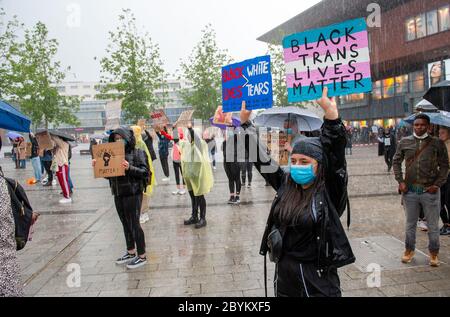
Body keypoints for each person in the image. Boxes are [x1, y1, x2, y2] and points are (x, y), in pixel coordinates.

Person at [240, 87, 355, 297]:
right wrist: (245, 124)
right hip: (285, 276)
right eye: (293, 161)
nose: (297, 166)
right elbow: (260, 158)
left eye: (304, 162)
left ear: (319, 166)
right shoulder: (286, 183)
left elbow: (336, 157)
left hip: (317, 279)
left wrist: (331, 117)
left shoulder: (328, 191)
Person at [393, 114, 449, 267]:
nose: (419, 127)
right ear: (413, 126)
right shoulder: (405, 141)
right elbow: (396, 161)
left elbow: (445, 165)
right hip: (410, 191)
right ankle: (409, 250)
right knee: (410, 224)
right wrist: (400, 181)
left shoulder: (436, 143)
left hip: (429, 191)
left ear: (428, 126)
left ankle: (434, 253)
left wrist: (437, 184)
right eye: (416, 125)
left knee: (432, 225)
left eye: (422, 125)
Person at [92, 126, 149, 269]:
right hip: (118, 193)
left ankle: (142, 255)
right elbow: (108, 175)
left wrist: (129, 167)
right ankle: (130, 252)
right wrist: (98, 166)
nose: (118, 141)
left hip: (133, 193)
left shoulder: (138, 153)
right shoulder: (111, 154)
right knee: (125, 223)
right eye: (116, 139)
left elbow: (145, 172)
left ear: (127, 138)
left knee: (134, 224)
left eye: (121, 138)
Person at [181, 124, 214, 229]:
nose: (189, 136)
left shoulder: (201, 144)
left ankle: (203, 218)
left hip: (199, 176)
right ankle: (194, 216)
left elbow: (195, 139)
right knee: (193, 197)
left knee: (200, 197)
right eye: (188, 135)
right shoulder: (187, 145)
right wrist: (172, 128)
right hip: (190, 177)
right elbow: (176, 140)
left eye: (190, 135)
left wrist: (190, 128)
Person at [131, 126, 156, 225]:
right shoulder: (131, 144)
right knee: (138, 194)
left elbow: (146, 159)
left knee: (144, 194)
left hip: (143, 173)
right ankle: (140, 213)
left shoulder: (141, 144)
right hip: (136, 173)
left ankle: (144, 213)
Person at [50, 135, 72, 204]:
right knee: (61, 181)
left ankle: (67, 197)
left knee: (64, 181)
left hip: (62, 164)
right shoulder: (59, 146)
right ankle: (65, 195)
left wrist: (50, 135)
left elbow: (56, 139)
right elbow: (53, 151)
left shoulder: (64, 144)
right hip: (58, 165)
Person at [222, 127, 242, 205]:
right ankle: (231, 196)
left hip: (235, 161)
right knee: (230, 179)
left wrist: (232, 128)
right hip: (227, 162)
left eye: (228, 132)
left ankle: (237, 196)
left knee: (236, 178)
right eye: (225, 133)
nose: (226, 134)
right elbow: (224, 153)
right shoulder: (224, 142)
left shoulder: (236, 140)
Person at [438, 126, 450, 236]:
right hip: (440, 176)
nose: (440, 135)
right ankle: (446, 223)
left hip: (448, 175)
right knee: (439, 202)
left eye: (442, 133)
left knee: (448, 201)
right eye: (439, 133)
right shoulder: (439, 145)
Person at [172, 127, 186, 195]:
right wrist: (174, 128)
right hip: (175, 159)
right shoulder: (175, 140)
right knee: (176, 174)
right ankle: (178, 188)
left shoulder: (183, 141)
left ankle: (184, 189)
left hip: (182, 160)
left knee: (183, 174)